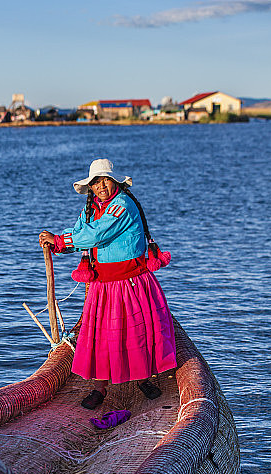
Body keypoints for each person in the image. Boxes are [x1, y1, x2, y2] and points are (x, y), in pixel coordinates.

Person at [39, 158, 177, 409]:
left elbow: (95, 234)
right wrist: (56, 243)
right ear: (90, 187)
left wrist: (60, 238)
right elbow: (81, 234)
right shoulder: (90, 209)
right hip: (104, 285)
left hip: (131, 283)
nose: (101, 185)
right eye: (95, 182)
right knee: (101, 337)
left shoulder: (122, 205)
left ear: (114, 182)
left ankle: (143, 378)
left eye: (105, 180)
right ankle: (99, 388)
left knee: (136, 333)